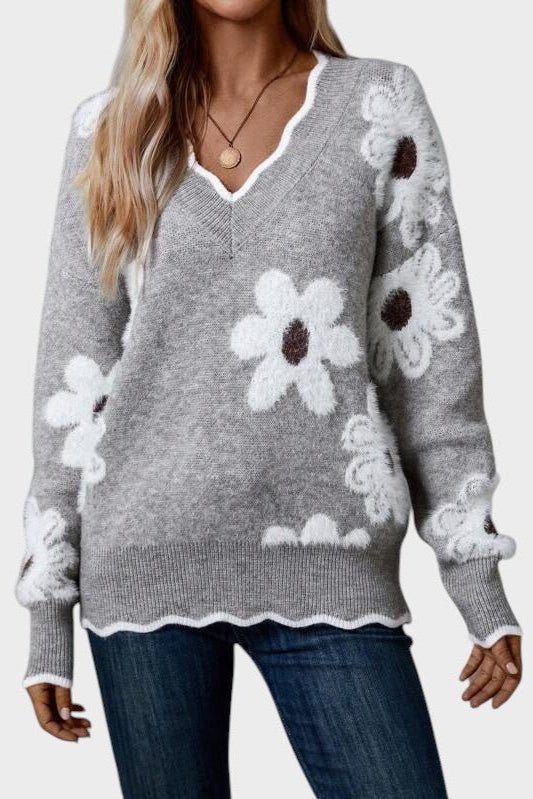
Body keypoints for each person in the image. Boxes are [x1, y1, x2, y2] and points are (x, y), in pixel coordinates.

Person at [16, 1, 522, 796]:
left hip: (331, 558)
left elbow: (426, 357)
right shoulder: (111, 129)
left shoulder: (377, 106)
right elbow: (73, 377)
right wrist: (49, 608)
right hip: (143, 564)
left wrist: (475, 572)